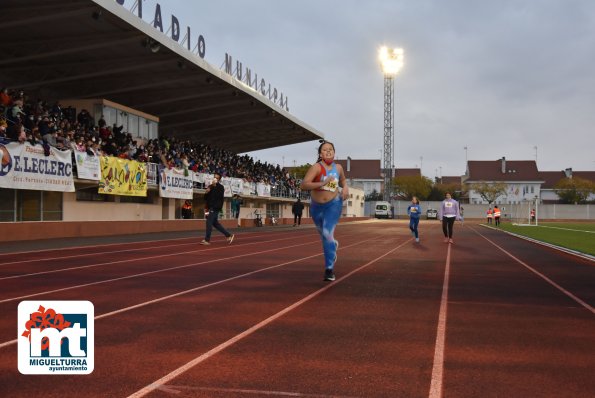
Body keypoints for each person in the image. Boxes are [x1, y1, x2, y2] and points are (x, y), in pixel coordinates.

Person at [300, 141, 349, 281]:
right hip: (316, 207)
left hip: (333, 204)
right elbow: (304, 185)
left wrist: (345, 188)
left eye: (331, 149)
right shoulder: (316, 167)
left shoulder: (338, 168)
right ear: (320, 154)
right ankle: (333, 245)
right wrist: (322, 183)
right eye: (325, 150)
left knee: (327, 233)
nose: (328, 152)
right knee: (325, 237)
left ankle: (329, 269)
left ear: (334, 152)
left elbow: (343, 181)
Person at [201, 173, 234, 245]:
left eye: (217, 178)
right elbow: (205, 198)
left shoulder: (220, 187)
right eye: (214, 177)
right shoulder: (210, 186)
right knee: (215, 223)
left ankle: (207, 240)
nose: (215, 179)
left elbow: (219, 197)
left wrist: (214, 186)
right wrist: (206, 192)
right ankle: (228, 235)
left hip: (215, 207)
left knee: (209, 222)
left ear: (219, 179)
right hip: (208, 207)